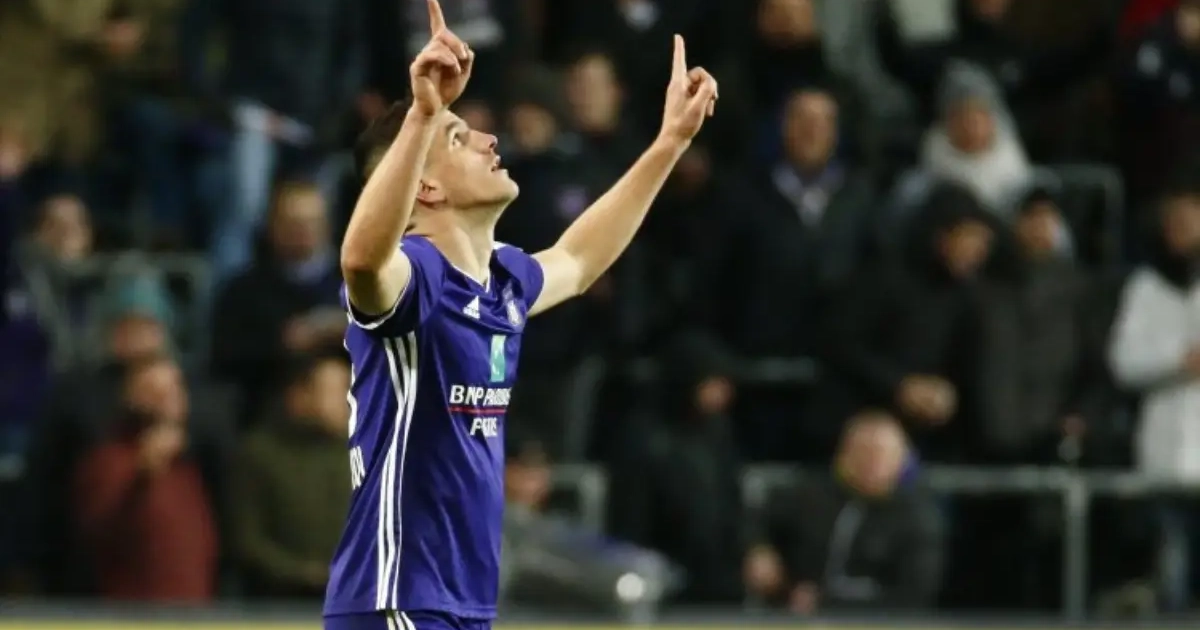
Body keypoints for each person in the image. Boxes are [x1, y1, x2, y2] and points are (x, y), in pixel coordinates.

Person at [322, 2, 719, 630]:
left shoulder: (502, 280)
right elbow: (360, 261)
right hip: (398, 595)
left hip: (462, 600)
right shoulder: (417, 276)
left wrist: (669, 143)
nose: (489, 139)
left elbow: (578, 260)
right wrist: (423, 114)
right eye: (460, 138)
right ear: (425, 187)